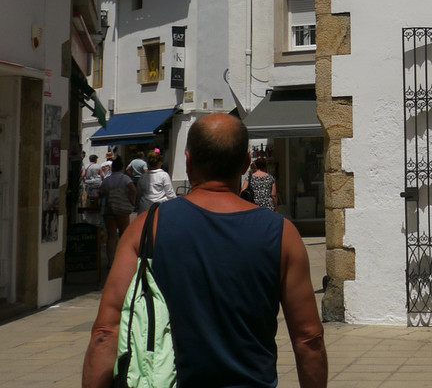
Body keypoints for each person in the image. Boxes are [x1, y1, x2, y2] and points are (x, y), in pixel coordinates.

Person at [82, 113, 327, 388]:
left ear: (187, 161)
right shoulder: (282, 234)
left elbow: (105, 332)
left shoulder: (146, 226)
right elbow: (308, 338)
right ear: (246, 163)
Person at [99, 155, 136, 266]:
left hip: (109, 209)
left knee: (111, 236)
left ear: (112, 168)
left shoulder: (107, 180)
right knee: (124, 235)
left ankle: (111, 261)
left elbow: (101, 194)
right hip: (122, 210)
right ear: (121, 167)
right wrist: (131, 201)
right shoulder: (125, 179)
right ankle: (123, 260)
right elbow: (133, 190)